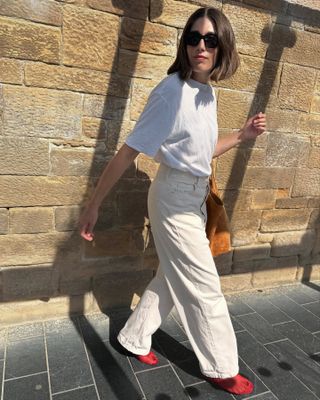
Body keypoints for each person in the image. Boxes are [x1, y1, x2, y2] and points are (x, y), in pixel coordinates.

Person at [79, 6, 266, 396]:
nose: (201, 45)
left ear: (221, 48)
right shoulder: (170, 92)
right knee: (203, 286)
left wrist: (241, 136)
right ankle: (221, 366)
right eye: (194, 37)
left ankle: (133, 338)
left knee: (171, 276)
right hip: (173, 199)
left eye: (210, 39)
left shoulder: (206, 92)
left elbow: (201, 151)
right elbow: (127, 153)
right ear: (184, 43)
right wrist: (93, 204)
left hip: (195, 194)